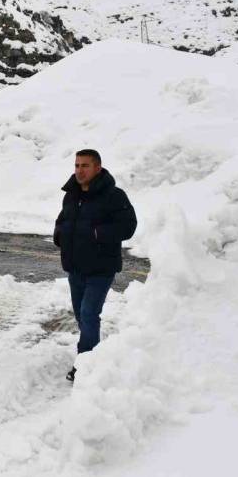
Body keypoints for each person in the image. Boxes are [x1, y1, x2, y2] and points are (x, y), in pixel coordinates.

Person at [53, 149, 137, 382]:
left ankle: (84, 364)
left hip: (101, 268)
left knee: (90, 314)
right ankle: (93, 356)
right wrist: (59, 234)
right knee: (82, 315)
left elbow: (129, 226)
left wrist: (98, 233)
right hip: (75, 266)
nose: (79, 170)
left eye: (85, 166)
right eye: (77, 165)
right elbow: (62, 219)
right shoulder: (71, 194)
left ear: (97, 168)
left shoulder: (114, 196)